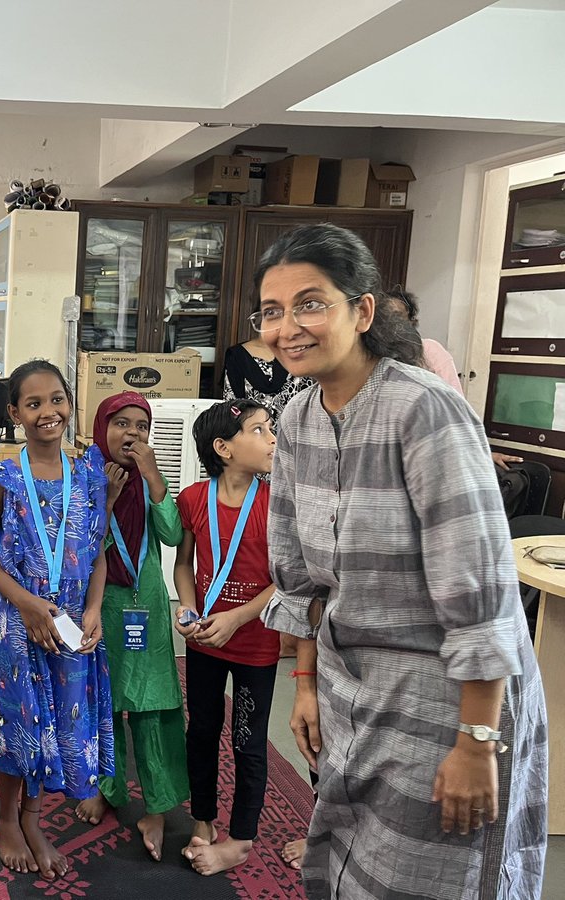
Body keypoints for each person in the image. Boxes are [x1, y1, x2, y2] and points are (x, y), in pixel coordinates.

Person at [257, 223, 547, 899]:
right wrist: (304, 681)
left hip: (446, 698)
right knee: (350, 860)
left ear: (362, 311)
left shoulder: (424, 408)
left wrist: (476, 743)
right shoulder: (297, 416)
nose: (288, 327)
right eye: (272, 311)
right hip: (351, 685)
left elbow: (480, 592)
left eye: (310, 303)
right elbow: (298, 570)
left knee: (427, 876)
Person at [0, 359, 113, 880]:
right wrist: (27, 604)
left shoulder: (91, 473)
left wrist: (94, 608)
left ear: (69, 402)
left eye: (56, 399)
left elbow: (97, 548)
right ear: (15, 413)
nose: (47, 411)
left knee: (64, 720)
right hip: (16, 619)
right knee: (23, 724)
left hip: (73, 618)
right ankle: (11, 821)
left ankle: (34, 818)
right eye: (33, 404)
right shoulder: (4, 475)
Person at [73, 393, 188, 862]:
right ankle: (109, 790)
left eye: (142, 426)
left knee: (153, 705)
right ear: (102, 428)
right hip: (102, 603)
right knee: (106, 702)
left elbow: (174, 536)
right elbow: (80, 546)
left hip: (147, 604)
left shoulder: (151, 478)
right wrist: (108, 496)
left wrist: (154, 478)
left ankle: (157, 809)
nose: (132, 434)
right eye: (121, 423)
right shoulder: (85, 475)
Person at [173, 399, 279, 877]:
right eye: (259, 430)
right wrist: (187, 605)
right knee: (201, 731)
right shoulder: (194, 499)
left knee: (247, 741)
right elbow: (183, 565)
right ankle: (203, 821)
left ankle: (240, 839)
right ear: (224, 448)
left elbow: (285, 579)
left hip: (256, 645)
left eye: (270, 428)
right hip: (204, 643)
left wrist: (238, 617)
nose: (272, 438)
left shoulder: (278, 504)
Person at [386, 289, 524, 472]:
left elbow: (458, 409)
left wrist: (480, 453)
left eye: (397, 316)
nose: (390, 324)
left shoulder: (429, 352)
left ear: (412, 321)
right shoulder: (371, 359)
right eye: (384, 317)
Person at [222, 331, 315, 419]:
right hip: (251, 433)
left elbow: (310, 405)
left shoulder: (301, 353)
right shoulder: (236, 356)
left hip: (295, 432)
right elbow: (231, 408)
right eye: (270, 314)